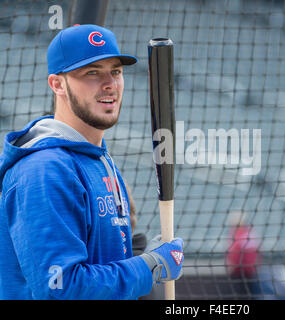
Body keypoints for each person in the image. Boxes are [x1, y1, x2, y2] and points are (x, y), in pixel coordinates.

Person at [0, 24, 183, 300]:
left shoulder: (99, 158)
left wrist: (137, 255)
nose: (110, 83)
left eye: (116, 72)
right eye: (92, 72)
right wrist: (149, 267)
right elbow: (61, 291)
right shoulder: (44, 171)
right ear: (57, 84)